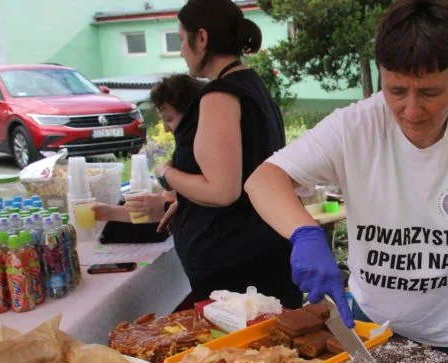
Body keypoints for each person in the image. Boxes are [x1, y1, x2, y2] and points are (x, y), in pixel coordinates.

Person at [244, 0, 448, 363]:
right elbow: (263, 180)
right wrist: (305, 233)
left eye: (430, 93)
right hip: (374, 328)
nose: (411, 111)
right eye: (396, 91)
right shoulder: (354, 127)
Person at [152, 0, 303, 309]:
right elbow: (245, 169)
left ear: (202, 38)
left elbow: (223, 191)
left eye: (182, 39)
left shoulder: (220, 95)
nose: (181, 50)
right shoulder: (250, 84)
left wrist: (168, 173)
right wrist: (187, 200)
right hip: (258, 249)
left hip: (235, 262)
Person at [93, 74, 203, 231]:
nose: (165, 128)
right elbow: (169, 205)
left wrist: (165, 174)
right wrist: (109, 212)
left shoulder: (197, 151)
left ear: (193, 115)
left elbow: (167, 205)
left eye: (169, 119)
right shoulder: (184, 152)